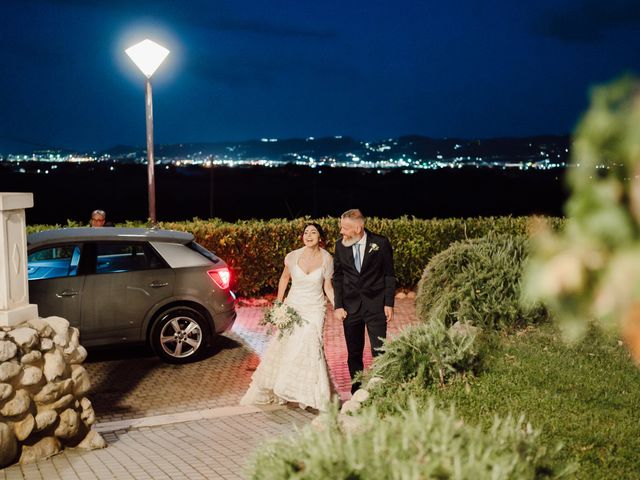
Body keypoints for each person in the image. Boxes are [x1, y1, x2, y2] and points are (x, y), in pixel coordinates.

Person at [240, 223, 335, 411]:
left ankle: (313, 394)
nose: (309, 235)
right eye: (306, 232)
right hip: (294, 306)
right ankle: (284, 387)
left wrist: (338, 306)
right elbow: (284, 279)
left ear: (320, 237)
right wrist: (279, 303)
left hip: (315, 309)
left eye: (313, 232)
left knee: (311, 344)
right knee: (288, 346)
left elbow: (327, 287)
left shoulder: (327, 258)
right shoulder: (292, 256)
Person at [333, 209, 395, 394]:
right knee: (354, 353)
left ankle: (380, 388)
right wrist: (338, 305)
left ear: (358, 227)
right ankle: (357, 390)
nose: (341, 232)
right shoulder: (339, 245)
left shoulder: (380, 243)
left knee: (379, 349)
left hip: (376, 305)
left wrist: (389, 303)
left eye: (345, 228)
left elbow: (389, 275)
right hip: (351, 307)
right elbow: (338, 276)